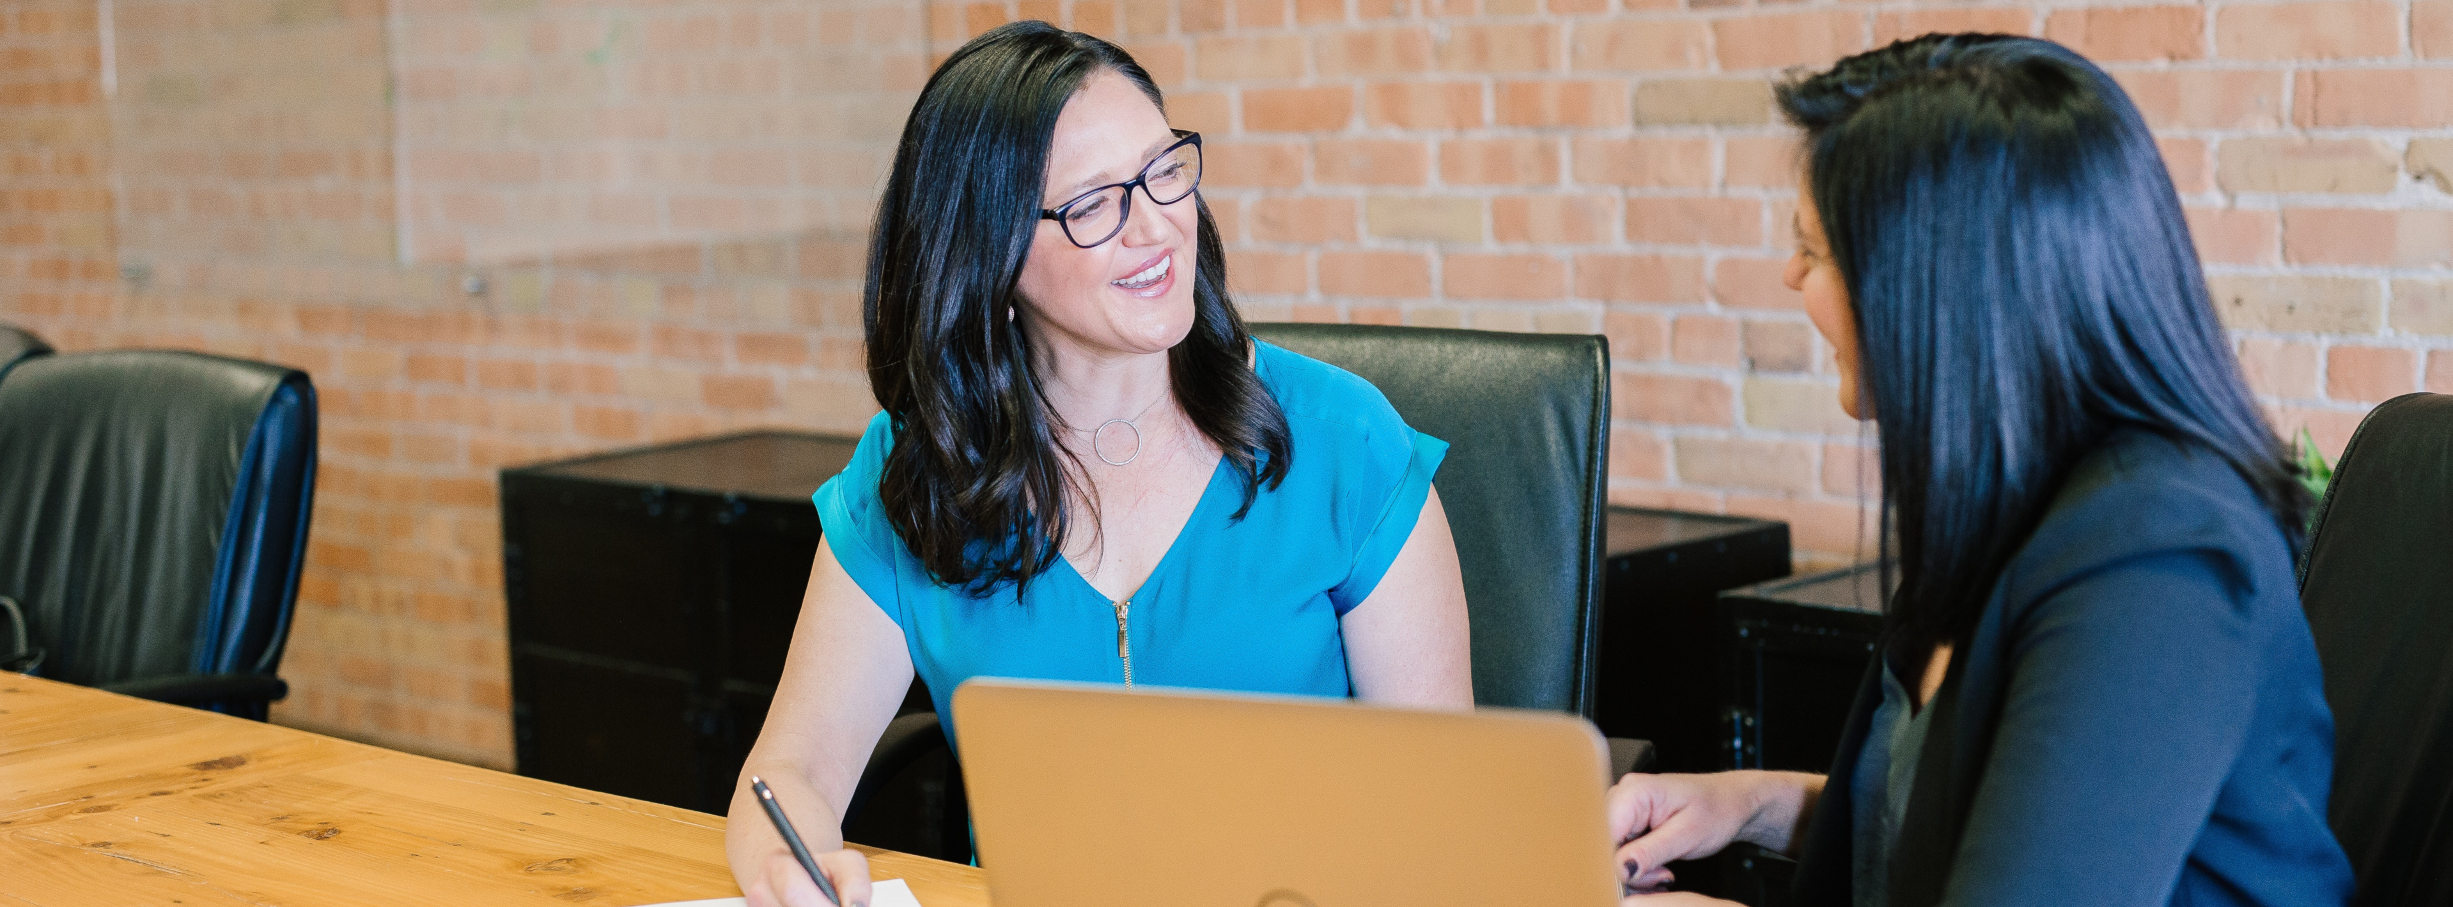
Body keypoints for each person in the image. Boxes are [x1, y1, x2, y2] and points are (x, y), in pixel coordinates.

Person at [725, 21, 1473, 907]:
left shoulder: (1341, 440)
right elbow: (792, 769)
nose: (1157, 228)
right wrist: (792, 867)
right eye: (1093, 204)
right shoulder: (917, 471)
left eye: (1164, 171)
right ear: (988, 254)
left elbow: (1440, 814)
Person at [1607, 35, 2354, 907]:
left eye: (1813, 251)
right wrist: (1744, 802)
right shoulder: (2008, 502)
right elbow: (1963, 820)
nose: (1789, 276)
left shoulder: (2154, 564)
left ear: (1929, 287)